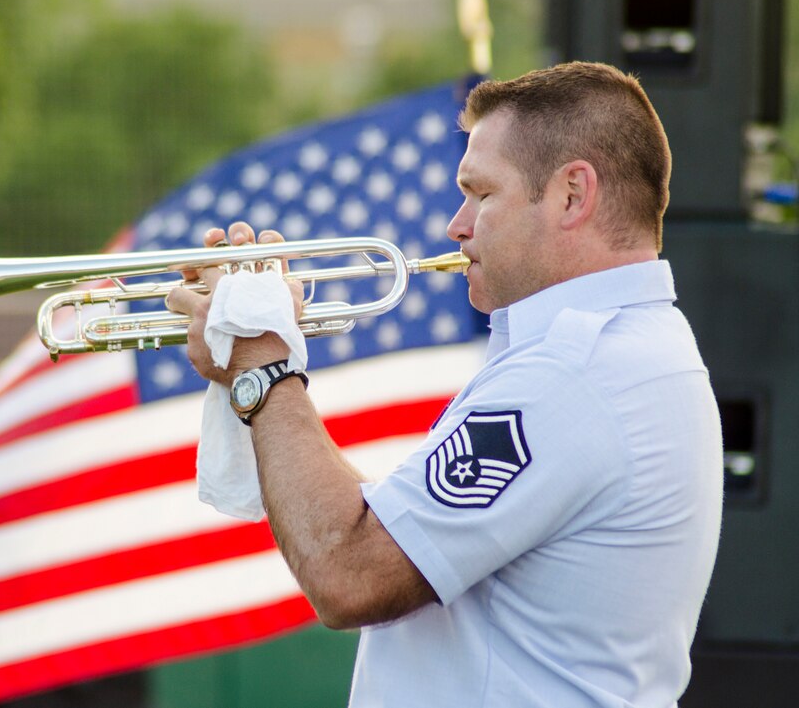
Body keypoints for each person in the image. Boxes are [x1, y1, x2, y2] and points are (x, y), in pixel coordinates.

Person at [167, 61, 723, 707]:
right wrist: (260, 365)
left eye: (481, 194)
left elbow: (349, 571)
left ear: (573, 194)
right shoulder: (629, 350)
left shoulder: (574, 375)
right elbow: (393, 533)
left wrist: (263, 365)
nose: (456, 226)